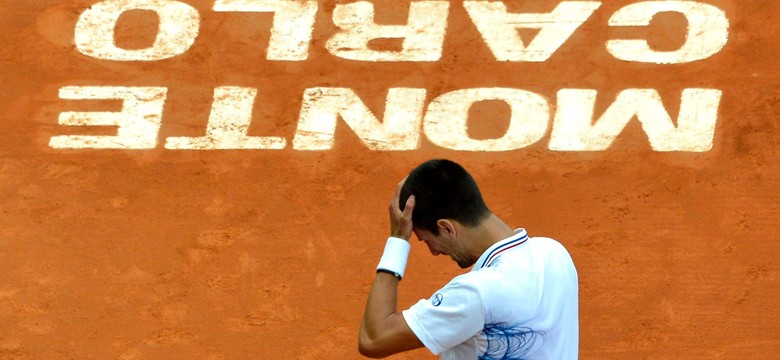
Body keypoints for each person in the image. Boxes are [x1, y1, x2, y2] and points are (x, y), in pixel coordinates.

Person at [358, 159, 579, 359]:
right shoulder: (555, 253)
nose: (434, 252)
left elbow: (373, 339)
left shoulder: (476, 293)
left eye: (426, 241)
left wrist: (398, 239)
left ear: (446, 228)